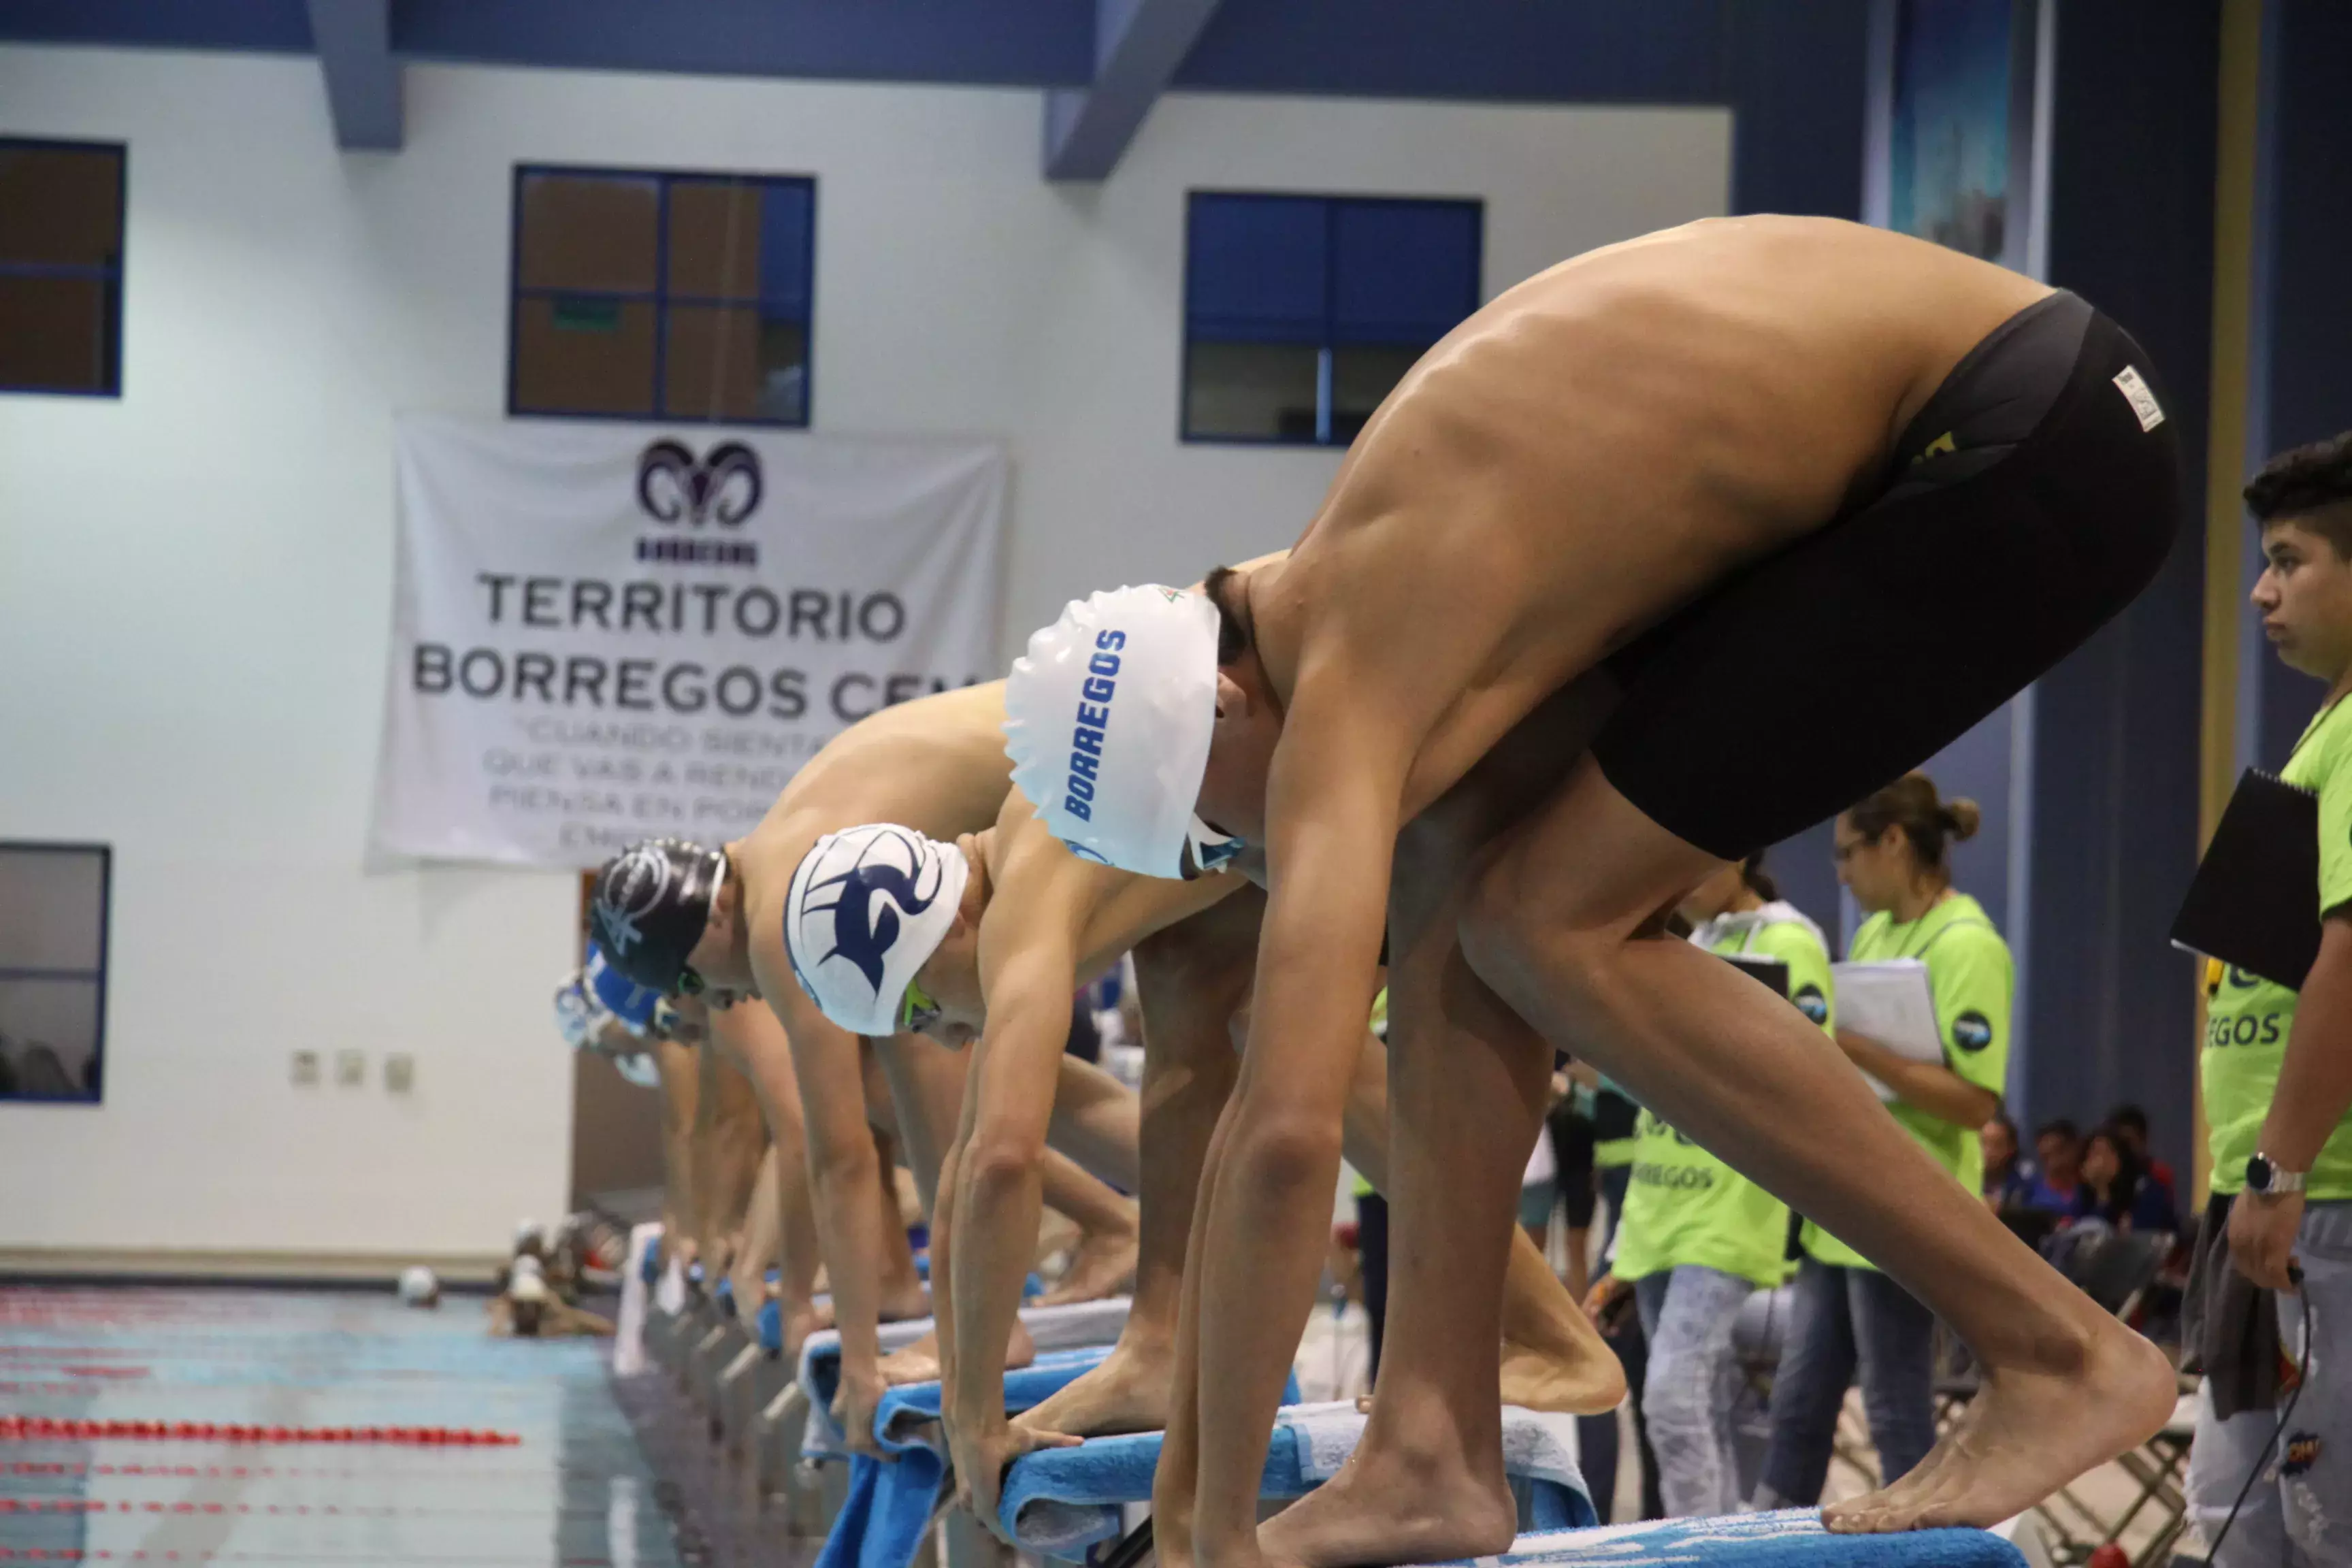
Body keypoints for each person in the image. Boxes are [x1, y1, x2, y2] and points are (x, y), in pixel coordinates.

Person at [1004, 215, 2180, 1561]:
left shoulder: (1351, 651)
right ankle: (1428, 1450)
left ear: (1222, 702)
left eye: (1224, 829)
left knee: (1547, 927)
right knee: (1460, 882)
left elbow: (1286, 1136)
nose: (1253, 863)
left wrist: (1208, 1541)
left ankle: (2057, 1349)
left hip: (2025, 436)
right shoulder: (1367, 604)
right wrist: (1190, 1498)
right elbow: (1265, 1094)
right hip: (1975, 428)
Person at [775, 803, 1618, 1529]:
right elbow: (970, 1155)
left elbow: (1000, 1161)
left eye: (919, 1003)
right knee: (1194, 996)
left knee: (1295, 1058)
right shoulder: (1069, 853)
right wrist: (969, 1387)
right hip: (1298, 822)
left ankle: (1551, 1337)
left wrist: (974, 1416)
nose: (941, 1036)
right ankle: (1160, 1339)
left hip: (1418, 807)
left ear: (948, 920)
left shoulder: (1022, 901)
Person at [587, 684, 1143, 1452]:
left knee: (935, 1066)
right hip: (1117, 749)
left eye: (688, 982)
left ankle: (997, 1322)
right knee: (929, 1049)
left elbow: (837, 1158)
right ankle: (1118, 1235)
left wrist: (856, 1363)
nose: (710, 1002)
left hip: (1132, 752)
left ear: (711, 918)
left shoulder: (782, 923)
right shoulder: (785, 868)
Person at [2184, 432, 2352, 1565]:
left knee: (2322, 1529)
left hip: (2322, 1202)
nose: (2260, 587)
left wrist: (2281, 1171)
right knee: (2236, 1526)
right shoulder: (2323, 728)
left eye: (2289, 559)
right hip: (2265, 1202)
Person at [1756, 775, 2014, 1512]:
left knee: (1898, 1415)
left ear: (1893, 843)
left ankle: (1931, 1556)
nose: (1839, 873)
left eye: (1847, 855)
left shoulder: (1968, 945)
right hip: (1843, 1211)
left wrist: (1858, 1051)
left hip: (1909, 1213)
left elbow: (1974, 1103)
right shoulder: (1874, 935)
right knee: (1798, 1411)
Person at [1586, 853, 1829, 1519]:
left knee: (1673, 1396)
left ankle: (1695, 1549)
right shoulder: (1689, 945)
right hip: (1661, 1208)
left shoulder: (1789, 943)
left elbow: (1810, 1073)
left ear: (1736, 859)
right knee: (1699, 1405)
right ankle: (1719, 1545)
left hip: (1729, 1209)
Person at [2070, 1126, 2176, 1237]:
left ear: (2121, 1158)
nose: (2094, 1162)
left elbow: (2146, 1237)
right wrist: (2102, 1192)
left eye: (2100, 1153)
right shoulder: (2082, 1198)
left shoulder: (2146, 1191)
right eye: (2088, 1156)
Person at [2104, 1103, 2178, 1209]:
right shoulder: (2105, 1177)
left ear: (2144, 1140)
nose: (2123, 1149)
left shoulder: (2159, 1175)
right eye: (2117, 1144)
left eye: (2128, 1142)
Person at [2023, 1120, 2084, 1214]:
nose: (2054, 1163)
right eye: (2046, 1156)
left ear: (2075, 1149)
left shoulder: (2090, 1192)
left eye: (2059, 1152)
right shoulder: (2028, 1194)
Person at [1980, 1113, 2034, 1210]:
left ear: (2011, 1148)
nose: (1988, 1152)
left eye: (1997, 1145)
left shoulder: (2024, 1188)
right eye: (1983, 1143)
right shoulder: (1962, 1179)